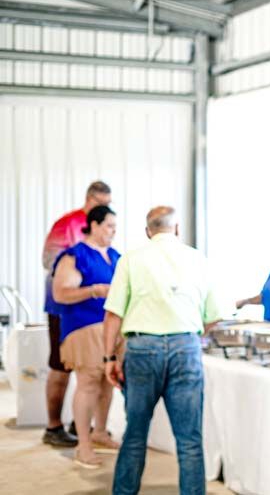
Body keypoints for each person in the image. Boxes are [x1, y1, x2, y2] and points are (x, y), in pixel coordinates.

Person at [103, 206, 227, 495]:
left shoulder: (131, 259)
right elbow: (215, 315)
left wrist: (109, 358)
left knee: (135, 434)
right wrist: (190, 335)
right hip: (185, 348)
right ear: (177, 229)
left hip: (142, 349)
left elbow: (113, 314)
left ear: (148, 231)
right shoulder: (198, 259)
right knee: (189, 440)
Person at [41, 180, 112, 447]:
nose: (106, 209)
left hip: (96, 315)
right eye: (102, 204)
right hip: (64, 308)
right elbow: (49, 260)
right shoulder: (66, 224)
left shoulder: (106, 232)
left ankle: (83, 425)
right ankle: (53, 426)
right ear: (89, 199)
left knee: (94, 373)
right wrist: (80, 270)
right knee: (61, 367)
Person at [52, 205, 122, 468]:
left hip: (113, 326)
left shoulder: (115, 256)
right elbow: (61, 294)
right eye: (109, 226)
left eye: (115, 227)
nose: (113, 232)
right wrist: (94, 290)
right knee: (89, 383)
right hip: (84, 327)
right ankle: (83, 445)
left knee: (108, 382)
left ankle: (100, 432)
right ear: (94, 225)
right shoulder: (75, 256)